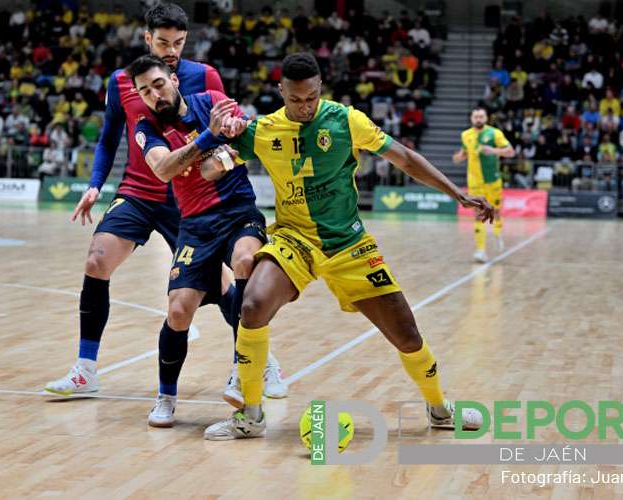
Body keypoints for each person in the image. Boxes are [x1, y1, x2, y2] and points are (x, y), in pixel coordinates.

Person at [199, 52, 494, 441]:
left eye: (311, 98)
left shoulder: (346, 120)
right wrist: (218, 144)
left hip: (349, 244)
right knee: (252, 305)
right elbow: (206, 170)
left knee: (406, 334)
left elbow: (404, 158)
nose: (304, 107)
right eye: (295, 100)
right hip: (295, 240)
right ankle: (250, 416)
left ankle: (440, 409)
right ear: (280, 91)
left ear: (320, 88)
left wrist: (457, 192)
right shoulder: (261, 131)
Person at [44, 2, 287, 407]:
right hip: (139, 190)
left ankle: (260, 360)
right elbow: (108, 139)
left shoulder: (205, 77)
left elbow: (230, 132)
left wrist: (225, 153)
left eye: (178, 42)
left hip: (191, 201)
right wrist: (94, 185)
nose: (171, 49)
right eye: (163, 42)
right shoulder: (120, 82)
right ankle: (85, 369)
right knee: (96, 260)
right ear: (146, 39)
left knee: (223, 284)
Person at [125, 54, 274, 425]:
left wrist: (220, 151)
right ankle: (166, 397)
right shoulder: (147, 127)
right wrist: (210, 140)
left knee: (245, 261)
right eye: (145, 91)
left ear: (173, 79)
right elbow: (163, 168)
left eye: (158, 84)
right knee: (178, 311)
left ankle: (243, 367)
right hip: (194, 225)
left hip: (239, 211)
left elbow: (232, 154)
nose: (154, 95)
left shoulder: (212, 100)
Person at [452, 107, 515, 263]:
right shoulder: (465, 135)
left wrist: (494, 151)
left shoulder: (495, 133)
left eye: (481, 116)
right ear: (472, 119)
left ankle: (497, 233)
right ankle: (480, 251)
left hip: (492, 179)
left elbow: (510, 151)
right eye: (476, 116)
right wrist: (458, 157)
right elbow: (464, 153)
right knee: (478, 214)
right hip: (475, 181)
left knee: (496, 211)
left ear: (486, 118)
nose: (478, 119)